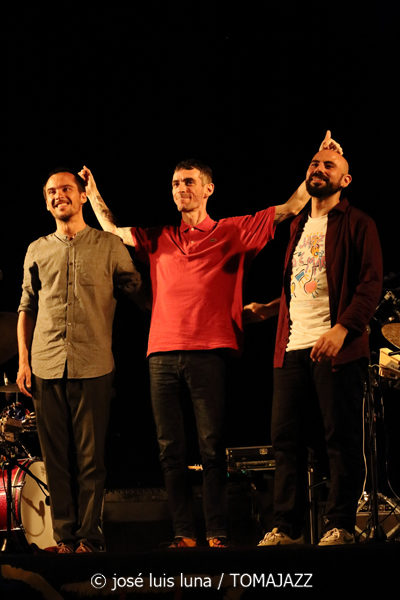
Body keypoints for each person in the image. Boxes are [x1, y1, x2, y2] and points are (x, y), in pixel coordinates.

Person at [79, 144, 319, 548]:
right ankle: (184, 534)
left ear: (208, 188)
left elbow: (291, 206)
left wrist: (318, 164)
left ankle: (218, 533)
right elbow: (111, 230)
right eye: (175, 183)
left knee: (211, 448)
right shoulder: (159, 237)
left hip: (209, 351)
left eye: (189, 182)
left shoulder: (232, 231)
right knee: (169, 451)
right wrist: (94, 193)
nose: (181, 189)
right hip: (161, 354)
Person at [244, 140, 383, 546]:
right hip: (291, 347)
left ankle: (340, 524)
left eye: (329, 165)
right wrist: (271, 309)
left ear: (346, 180)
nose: (318, 169)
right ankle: (286, 528)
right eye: (314, 163)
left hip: (338, 349)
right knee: (285, 440)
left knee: (339, 439)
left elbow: (369, 286)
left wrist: (342, 330)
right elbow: (304, 285)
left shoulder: (358, 223)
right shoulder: (297, 226)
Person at [16, 169, 143, 553]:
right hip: (46, 363)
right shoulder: (37, 249)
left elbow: (137, 289)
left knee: (91, 459)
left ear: (83, 195)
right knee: (55, 459)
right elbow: (26, 307)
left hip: (93, 363)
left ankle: (90, 537)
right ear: (46, 201)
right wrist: (24, 361)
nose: (59, 195)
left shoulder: (108, 245)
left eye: (66, 189)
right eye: (51, 192)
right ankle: (64, 537)